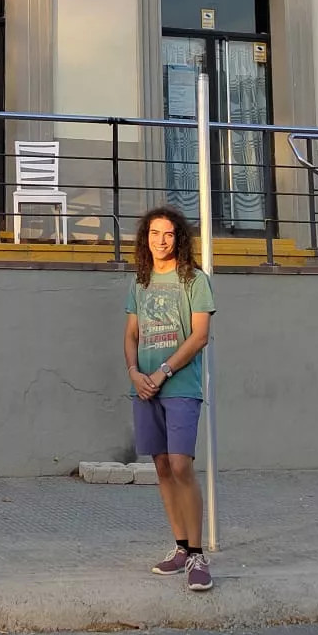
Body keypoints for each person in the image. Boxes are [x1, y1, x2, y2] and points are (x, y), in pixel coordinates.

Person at [124, 203, 215, 592]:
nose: (160, 241)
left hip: (179, 387)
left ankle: (197, 553)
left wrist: (163, 372)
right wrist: (134, 373)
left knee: (180, 465)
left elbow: (200, 336)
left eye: (168, 234)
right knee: (160, 467)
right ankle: (179, 547)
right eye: (154, 234)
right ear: (146, 238)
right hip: (144, 387)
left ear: (179, 238)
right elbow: (131, 334)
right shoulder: (140, 281)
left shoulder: (194, 279)